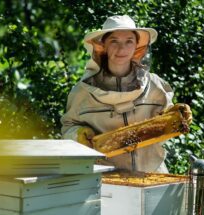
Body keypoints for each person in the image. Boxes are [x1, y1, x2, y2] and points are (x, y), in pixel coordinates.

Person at [61, 15, 192, 173]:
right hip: (104, 178)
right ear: (103, 45)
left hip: (151, 173)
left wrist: (176, 116)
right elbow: (67, 127)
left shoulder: (155, 85)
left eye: (129, 41)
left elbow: (167, 121)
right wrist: (77, 134)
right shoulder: (82, 91)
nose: (121, 49)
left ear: (137, 46)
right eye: (114, 41)